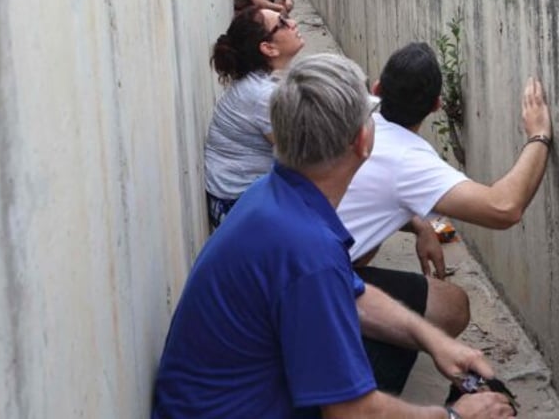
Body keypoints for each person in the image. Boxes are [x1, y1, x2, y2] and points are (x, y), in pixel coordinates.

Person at [152, 53, 515, 419]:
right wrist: (453, 417)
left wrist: (432, 340)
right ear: (362, 140)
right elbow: (351, 413)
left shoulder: (277, 196)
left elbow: (352, 293)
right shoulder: (308, 250)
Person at [337, 43, 552, 357]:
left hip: (286, 262)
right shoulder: (408, 159)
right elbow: (504, 208)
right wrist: (539, 135)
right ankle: (358, 360)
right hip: (309, 288)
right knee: (452, 307)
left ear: (377, 89)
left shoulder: (353, 117)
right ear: (437, 104)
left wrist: (421, 226)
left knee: (370, 242)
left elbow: (370, 190)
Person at [203, 6, 304, 229]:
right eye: (283, 23)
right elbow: (303, 156)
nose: (293, 23)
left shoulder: (262, 83)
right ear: (268, 48)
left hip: (246, 197)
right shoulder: (263, 96)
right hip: (236, 207)